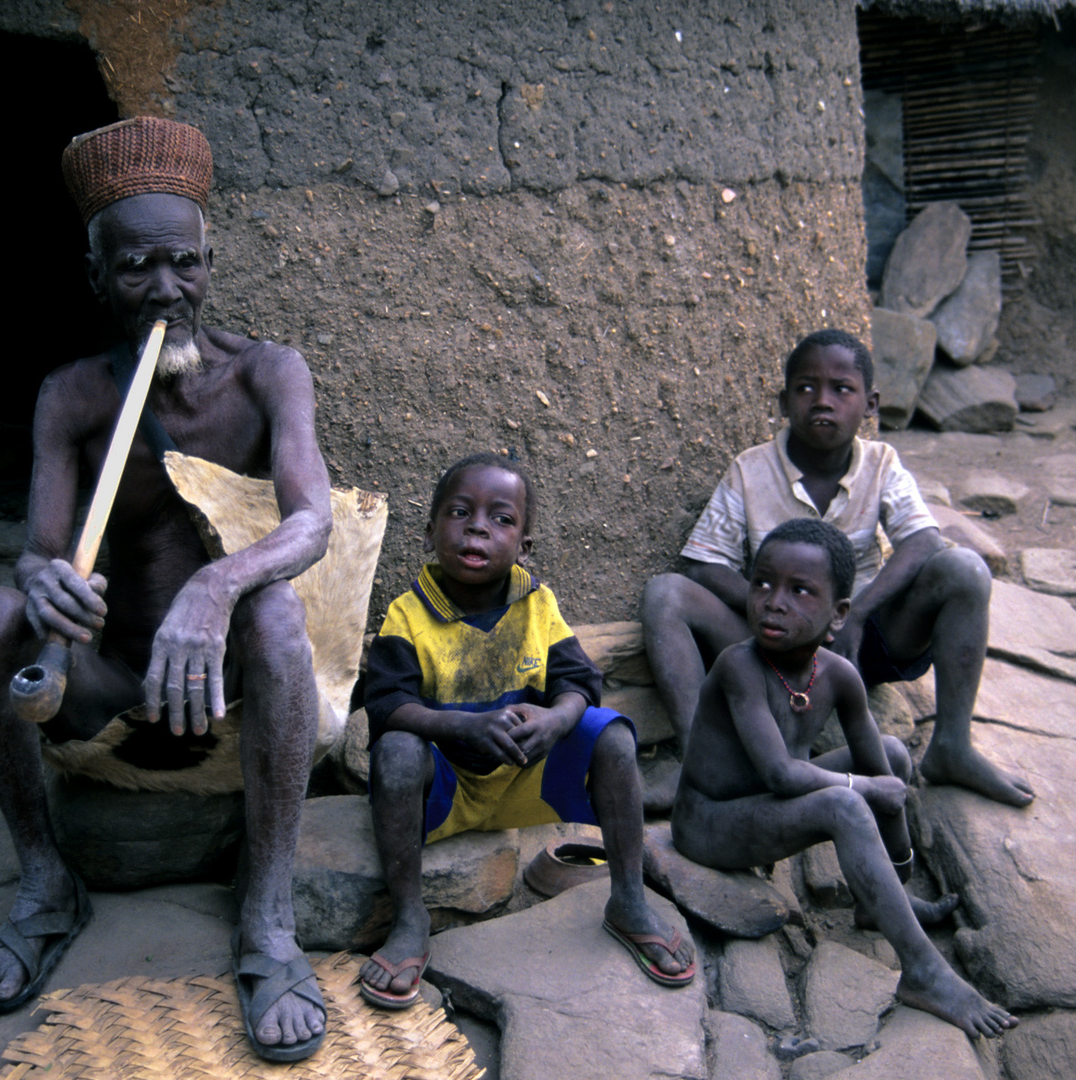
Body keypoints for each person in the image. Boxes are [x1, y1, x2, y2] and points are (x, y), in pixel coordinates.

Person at [0, 118, 331, 1062]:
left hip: (230, 688)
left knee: (278, 613)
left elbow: (312, 521)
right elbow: (36, 553)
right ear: (97, 278)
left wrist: (218, 587)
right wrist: (47, 589)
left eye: (182, 264)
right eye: (136, 270)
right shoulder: (73, 395)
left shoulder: (269, 375)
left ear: (209, 260)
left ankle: (269, 918)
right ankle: (47, 883)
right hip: (115, 682)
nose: (165, 290)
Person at [640, 328, 1033, 808]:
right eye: (806, 388)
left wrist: (858, 615)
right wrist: (782, 612)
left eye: (841, 389)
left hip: (860, 643)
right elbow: (703, 563)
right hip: (777, 655)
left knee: (965, 570)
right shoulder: (751, 470)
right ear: (784, 401)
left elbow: (924, 539)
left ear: (871, 404)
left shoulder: (881, 462)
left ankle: (952, 745)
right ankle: (699, 760)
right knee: (666, 592)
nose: (822, 401)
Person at [357, 453, 695, 1007]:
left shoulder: (538, 605)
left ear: (524, 546)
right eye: (460, 513)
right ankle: (410, 917)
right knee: (395, 751)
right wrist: (460, 727)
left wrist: (557, 719)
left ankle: (628, 899)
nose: (478, 528)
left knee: (611, 734)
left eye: (501, 519)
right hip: (447, 794)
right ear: (428, 533)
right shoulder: (407, 615)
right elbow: (387, 703)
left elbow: (578, 680)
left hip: (526, 785)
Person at [672, 518, 1018, 1038]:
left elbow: (889, 781)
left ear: (837, 616)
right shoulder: (739, 666)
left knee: (895, 754)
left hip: (767, 803)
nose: (774, 601)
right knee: (847, 803)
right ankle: (923, 972)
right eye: (762, 583)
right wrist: (867, 788)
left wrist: (896, 867)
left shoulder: (839, 675)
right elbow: (782, 774)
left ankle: (881, 904)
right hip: (709, 823)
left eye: (800, 591)